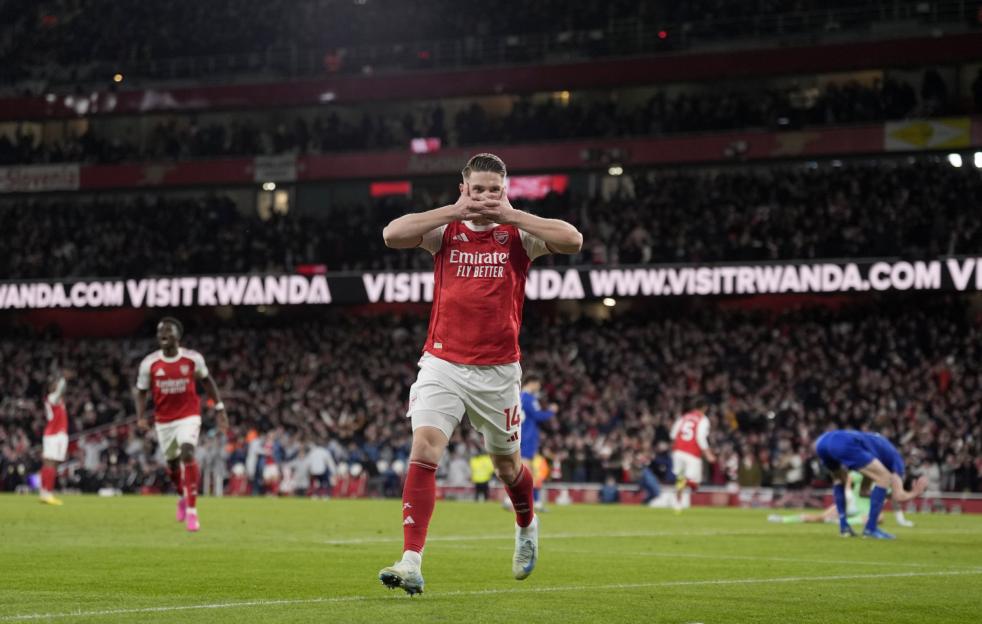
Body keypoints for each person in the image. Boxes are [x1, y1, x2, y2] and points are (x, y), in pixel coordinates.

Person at [377, 153, 582, 595]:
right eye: (479, 189)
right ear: (464, 189)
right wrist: (454, 210)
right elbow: (392, 234)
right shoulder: (445, 230)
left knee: (508, 468)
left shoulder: (518, 235)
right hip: (443, 362)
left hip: (497, 371)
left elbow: (572, 240)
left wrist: (514, 214)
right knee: (425, 446)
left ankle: (526, 523)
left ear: (505, 190)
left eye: (495, 189)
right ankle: (411, 559)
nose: (487, 197)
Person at [135, 317, 228, 532]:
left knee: (188, 453)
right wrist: (141, 416)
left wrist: (220, 409)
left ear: (178, 335)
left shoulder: (193, 359)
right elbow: (141, 391)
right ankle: (181, 496)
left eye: (168, 331)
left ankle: (193, 513)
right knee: (173, 464)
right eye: (160, 332)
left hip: (189, 416)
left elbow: (208, 382)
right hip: (164, 421)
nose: (163, 335)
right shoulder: (150, 363)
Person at [814, 429, 927, 539]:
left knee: (839, 480)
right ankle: (871, 529)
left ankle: (844, 527)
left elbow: (864, 492)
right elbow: (899, 496)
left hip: (823, 442)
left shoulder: (876, 453)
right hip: (844, 443)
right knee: (884, 477)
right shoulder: (898, 463)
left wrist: (884, 495)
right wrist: (914, 493)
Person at [670, 400, 716, 513]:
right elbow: (700, 437)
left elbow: (672, 434)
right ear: (704, 408)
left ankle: (677, 503)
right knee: (695, 483)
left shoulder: (684, 417)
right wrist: (708, 454)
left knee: (680, 478)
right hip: (692, 453)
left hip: (678, 451)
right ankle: (685, 486)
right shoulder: (703, 419)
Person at [519, 373, 556, 512]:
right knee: (530, 472)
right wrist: (551, 411)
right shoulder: (529, 398)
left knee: (524, 472)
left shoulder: (519, 397)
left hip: (522, 436)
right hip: (528, 437)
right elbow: (538, 416)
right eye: (538, 383)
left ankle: (515, 501)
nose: (539, 386)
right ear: (532, 382)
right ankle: (535, 502)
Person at [39, 365, 71, 505]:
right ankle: (49, 493)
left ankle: (44, 492)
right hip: (55, 435)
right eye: (54, 383)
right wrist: (64, 378)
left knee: (49, 464)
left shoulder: (53, 399)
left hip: (52, 434)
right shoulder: (53, 398)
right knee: (52, 464)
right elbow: (60, 389)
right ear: (51, 387)